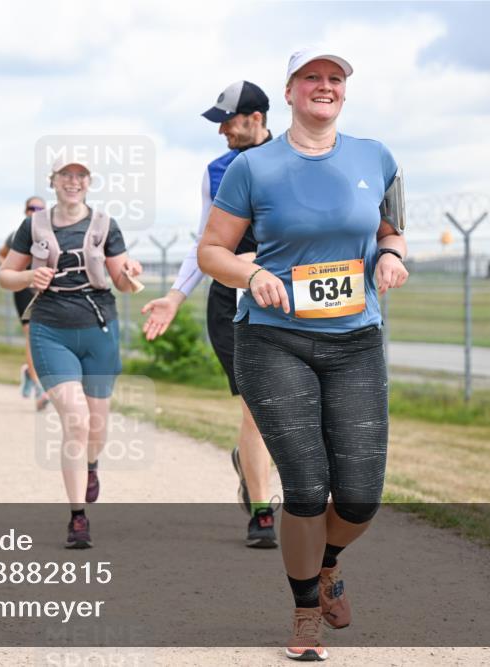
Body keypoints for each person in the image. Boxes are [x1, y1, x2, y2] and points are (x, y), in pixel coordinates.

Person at [197, 47, 409, 661]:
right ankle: (304, 613)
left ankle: (328, 563)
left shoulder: (378, 157)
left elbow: (390, 229)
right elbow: (213, 249)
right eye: (311, 78)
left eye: (335, 78)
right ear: (288, 92)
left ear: (345, 91)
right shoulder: (253, 167)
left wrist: (392, 256)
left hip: (355, 340)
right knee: (309, 488)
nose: (324, 86)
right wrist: (249, 273)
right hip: (273, 338)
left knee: (362, 496)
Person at [141, 80, 278, 548]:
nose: (221, 131)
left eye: (228, 121)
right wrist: (175, 296)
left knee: (294, 409)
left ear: (255, 118)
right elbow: (205, 243)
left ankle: (250, 462)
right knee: (257, 408)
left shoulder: (293, 160)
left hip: (288, 298)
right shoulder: (216, 172)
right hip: (232, 301)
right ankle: (263, 512)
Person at [0, 156, 143, 549]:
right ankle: (78, 517)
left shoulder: (105, 225)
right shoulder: (33, 225)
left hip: (98, 331)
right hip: (51, 330)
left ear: (89, 183)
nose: (73, 182)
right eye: (66, 175)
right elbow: (6, 276)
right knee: (75, 421)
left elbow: (122, 283)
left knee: (96, 427)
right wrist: (30, 275)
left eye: (80, 176)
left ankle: (91, 464)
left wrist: (131, 276)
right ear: (54, 181)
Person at [0, 196, 50, 411]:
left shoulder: (52, 235)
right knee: (32, 334)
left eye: (40, 208)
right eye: (31, 207)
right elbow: (1, 257)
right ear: (25, 210)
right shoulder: (17, 236)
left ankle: (30, 372)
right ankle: (38, 385)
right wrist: (13, 271)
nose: (35, 211)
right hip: (24, 290)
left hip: (46, 290)